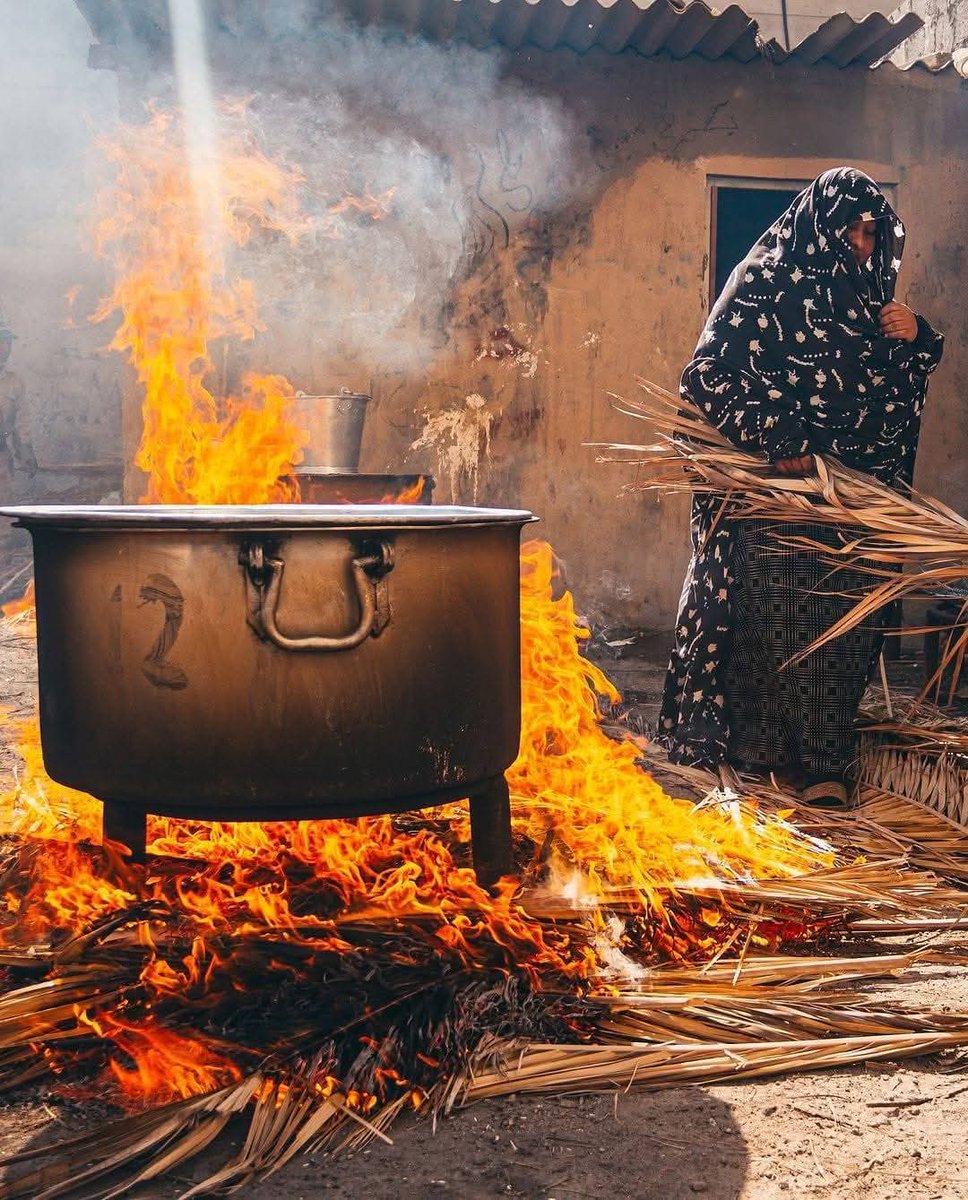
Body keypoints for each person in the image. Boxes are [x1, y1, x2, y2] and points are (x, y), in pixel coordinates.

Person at [656, 167, 944, 807]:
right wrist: (778, 436)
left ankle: (823, 765)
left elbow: (887, 393)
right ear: (821, 227)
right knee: (771, 625)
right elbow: (706, 376)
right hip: (774, 502)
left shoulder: (870, 299)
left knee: (839, 635)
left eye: (872, 235)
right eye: (853, 233)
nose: (863, 248)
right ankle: (757, 759)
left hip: (851, 505)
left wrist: (917, 338)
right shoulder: (764, 282)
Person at [0, 317, 37, 495]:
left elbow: (21, 422)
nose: (5, 347)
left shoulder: (15, 381)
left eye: (8, 342)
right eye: (1, 341)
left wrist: (25, 451)